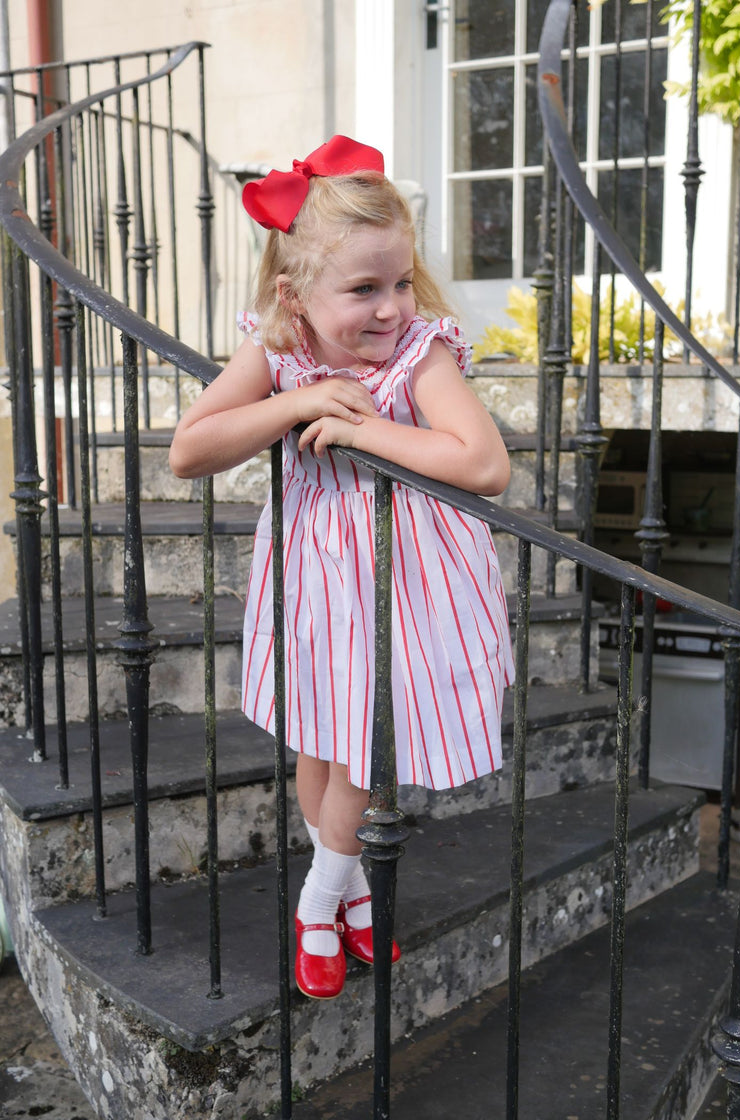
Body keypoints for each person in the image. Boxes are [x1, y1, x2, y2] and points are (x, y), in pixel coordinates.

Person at [169, 135, 515, 1000]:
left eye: (400, 282)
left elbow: (483, 462)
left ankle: (318, 900)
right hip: (314, 574)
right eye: (364, 289)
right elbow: (189, 450)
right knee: (324, 740)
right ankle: (351, 894)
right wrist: (295, 400)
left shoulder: (417, 354)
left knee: (367, 741)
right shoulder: (278, 348)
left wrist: (361, 428)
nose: (392, 306)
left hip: (405, 576)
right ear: (296, 295)